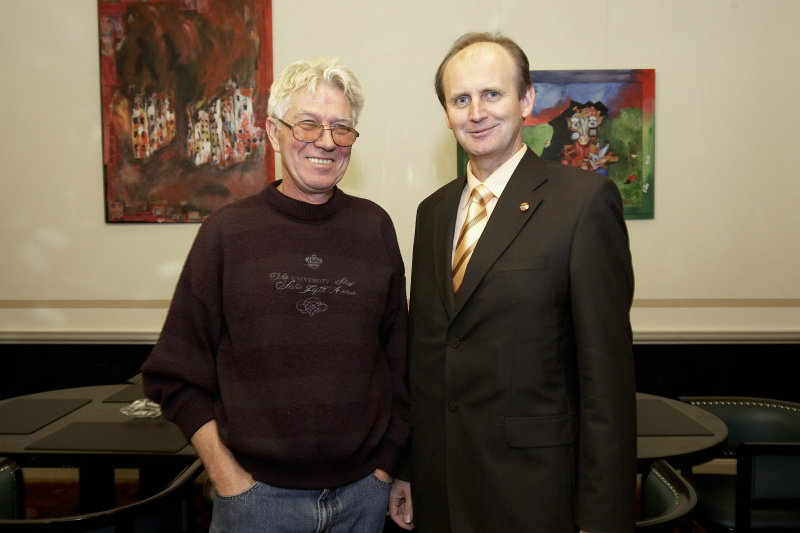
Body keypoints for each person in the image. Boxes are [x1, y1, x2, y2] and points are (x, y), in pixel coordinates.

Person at [141, 56, 410, 533]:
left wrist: (386, 468)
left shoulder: (375, 228)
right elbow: (173, 375)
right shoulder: (227, 233)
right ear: (272, 131)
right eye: (308, 123)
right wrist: (228, 478)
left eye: (342, 128)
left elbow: (400, 365)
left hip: (363, 498)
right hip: (255, 502)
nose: (326, 142)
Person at [389, 32, 636, 533]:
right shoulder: (432, 213)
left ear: (527, 100)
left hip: (534, 494)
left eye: (492, 94)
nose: (476, 112)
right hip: (441, 491)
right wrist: (410, 470)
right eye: (461, 99)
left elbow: (606, 381)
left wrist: (603, 515)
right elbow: (428, 353)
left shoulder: (584, 203)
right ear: (446, 113)